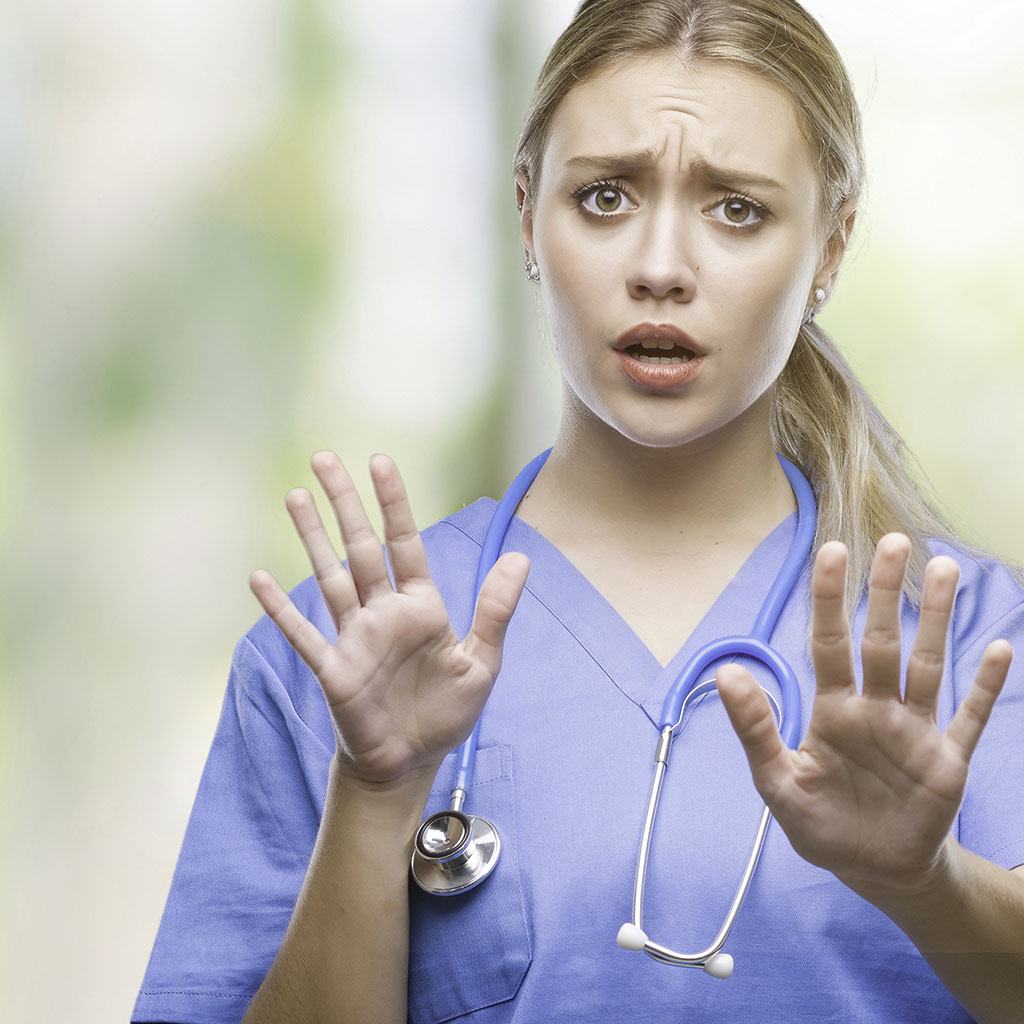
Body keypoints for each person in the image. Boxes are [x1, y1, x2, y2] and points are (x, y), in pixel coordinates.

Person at [130, 2, 1024, 1022]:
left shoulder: (974, 646)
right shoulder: (338, 658)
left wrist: (925, 881)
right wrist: (376, 798)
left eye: (735, 209)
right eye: (603, 196)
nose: (658, 265)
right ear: (525, 216)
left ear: (829, 248)